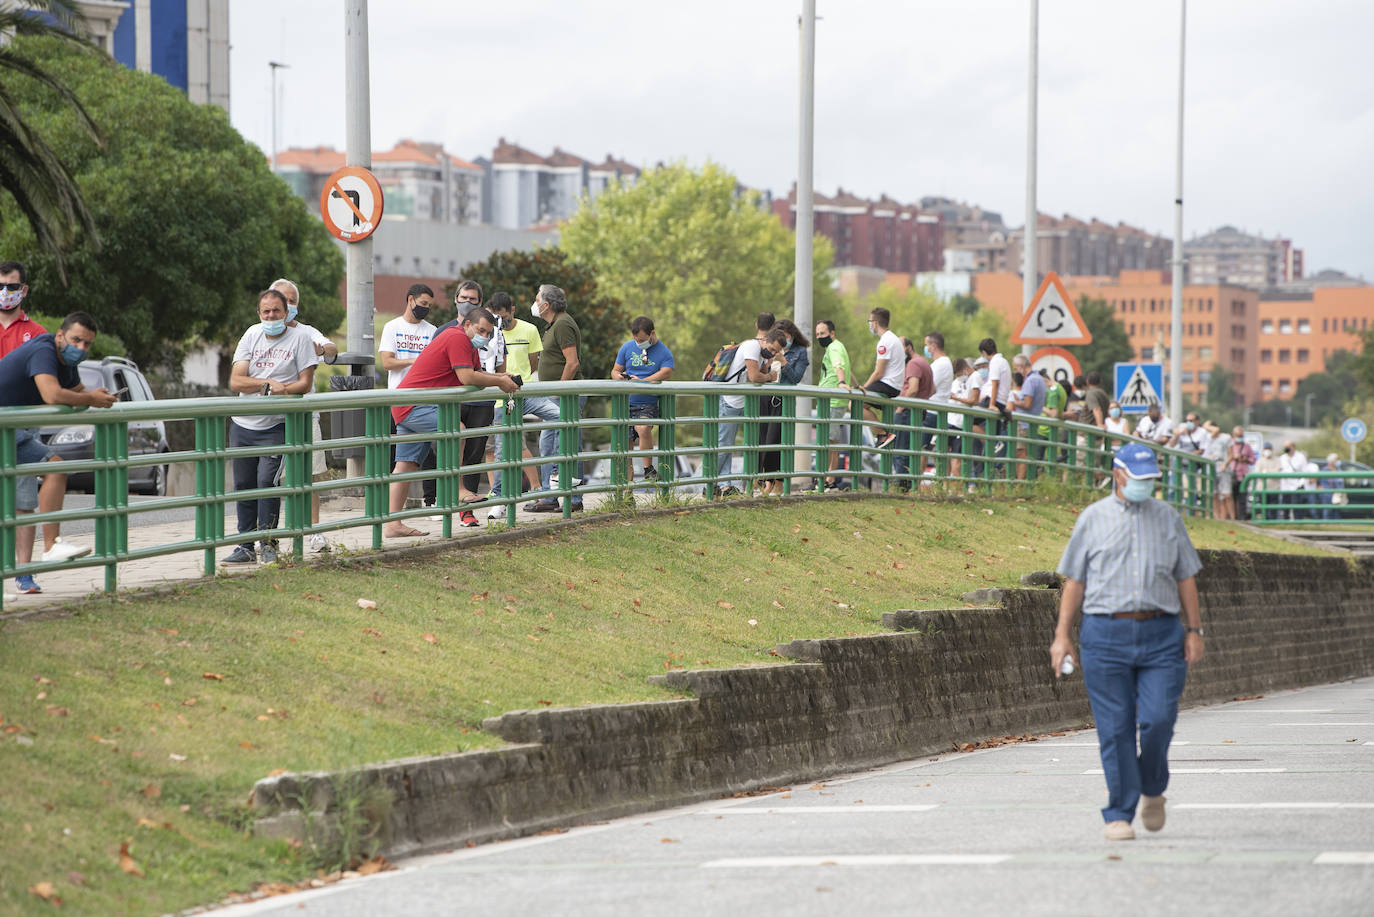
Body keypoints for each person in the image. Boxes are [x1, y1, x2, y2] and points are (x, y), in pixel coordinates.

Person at [1050, 441, 1205, 842]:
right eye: (1138, 478)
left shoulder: (1168, 518)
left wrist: (1194, 629)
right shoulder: (1092, 518)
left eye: (1150, 479)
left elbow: (1185, 576)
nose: (1144, 485)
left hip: (1161, 633)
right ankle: (1118, 812)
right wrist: (1062, 636)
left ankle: (1153, 787)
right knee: (1115, 729)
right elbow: (1075, 580)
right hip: (1105, 634)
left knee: (1158, 720)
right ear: (1118, 474)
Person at [384, 308, 519, 537]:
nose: (484, 336)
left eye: (488, 333)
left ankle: (392, 525)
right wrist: (499, 382)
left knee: (405, 465)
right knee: (458, 429)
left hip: (410, 403)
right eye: (480, 330)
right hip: (415, 405)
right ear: (467, 325)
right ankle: (456, 489)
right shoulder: (456, 337)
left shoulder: (470, 345)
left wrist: (500, 378)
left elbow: (476, 374)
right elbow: (467, 378)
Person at [0, 311, 116, 576]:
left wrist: (101, 397)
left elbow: (78, 391)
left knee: (55, 469)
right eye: (76, 340)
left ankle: (50, 547)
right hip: (5, 426)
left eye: (87, 344)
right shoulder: (44, 350)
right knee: (50, 472)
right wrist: (90, 400)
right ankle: (45, 551)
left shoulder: (67, 362)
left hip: (10, 430)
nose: (81, 348)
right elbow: (52, 394)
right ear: (60, 335)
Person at [222, 290, 318, 565]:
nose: (271, 316)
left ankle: (268, 543)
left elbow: (305, 384)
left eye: (276, 311)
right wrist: (265, 384)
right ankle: (245, 545)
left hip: (277, 425)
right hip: (243, 425)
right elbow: (236, 381)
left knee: (267, 482)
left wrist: (282, 390)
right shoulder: (251, 335)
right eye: (266, 312)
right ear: (259, 314)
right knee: (244, 485)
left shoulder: (300, 339)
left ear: (286, 312)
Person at [273, 278, 338, 553]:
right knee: (272, 478)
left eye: (292, 301)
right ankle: (270, 533)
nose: (287, 306)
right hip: (270, 417)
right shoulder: (257, 333)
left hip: (305, 413)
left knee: (308, 476)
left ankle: (312, 531)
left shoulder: (307, 332)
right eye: (281, 300)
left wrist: (319, 350)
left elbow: (332, 349)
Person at [0, 260, 52, 593]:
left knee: (24, 500)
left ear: (24, 289)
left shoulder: (38, 334)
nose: (5, 294)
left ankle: (24, 571)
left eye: (12, 287)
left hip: (23, 428)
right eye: (1, 286)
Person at [525, 285, 586, 514]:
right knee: (548, 446)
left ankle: (574, 499)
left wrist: (558, 389)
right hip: (552, 397)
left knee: (567, 446)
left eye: (537, 299)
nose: (534, 303)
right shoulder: (552, 326)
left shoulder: (563, 324)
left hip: (564, 397)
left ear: (546, 305)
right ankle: (550, 497)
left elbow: (572, 362)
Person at [379, 284, 440, 514]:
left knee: (408, 461)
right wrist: (414, 362)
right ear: (410, 300)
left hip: (425, 398)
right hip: (402, 399)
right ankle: (448, 495)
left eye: (429, 306)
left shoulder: (432, 331)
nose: (425, 308)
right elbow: (387, 362)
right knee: (455, 431)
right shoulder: (392, 327)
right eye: (423, 304)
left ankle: (396, 515)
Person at [485, 292, 545, 518]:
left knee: (516, 445)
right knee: (492, 449)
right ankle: (497, 493)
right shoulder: (490, 332)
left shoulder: (529, 330)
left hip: (521, 392)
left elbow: (532, 362)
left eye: (505, 317)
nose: (502, 322)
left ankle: (537, 486)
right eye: (497, 317)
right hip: (494, 395)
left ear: (513, 310)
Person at [716, 312, 776, 497]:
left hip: (744, 401)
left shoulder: (765, 351)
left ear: (756, 324)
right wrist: (769, 377)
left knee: (730, 445)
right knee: (724, 444)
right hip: (730, 400)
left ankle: (724, 485)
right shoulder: (751, 346)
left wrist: (767, 366)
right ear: (773, 328)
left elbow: (761, 374)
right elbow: (755, 377)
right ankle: (708, 483)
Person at [611, 315, 675, 483]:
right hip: (626, 402)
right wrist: (619, 377)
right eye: (635, 339)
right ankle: (628, 491)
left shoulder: (663, 351)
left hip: (647, 402)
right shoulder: (627, 347)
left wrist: (643, 382)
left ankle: (648, 468)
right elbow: (615, 370)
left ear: (652, 333)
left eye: (641, 340)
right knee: (626, 447)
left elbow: (667, 371)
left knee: (643, 428)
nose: (638, 343)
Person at [815, 319, 852, 490]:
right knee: (829, 440)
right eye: (817, 334)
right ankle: (828, 478)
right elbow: (845, 367)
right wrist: (856, 384)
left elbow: (838, 365)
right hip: (829, 400)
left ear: (832, 333)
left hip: (833, 400)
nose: (819, 337)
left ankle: (829, 480)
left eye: (822, 333)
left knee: (830, 441)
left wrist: (842, 382)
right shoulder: (836, 347)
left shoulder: (834, 347)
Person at [860, 308, 904, 450]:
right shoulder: (893, 338)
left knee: (854, 404)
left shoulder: (884, 342)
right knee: (863, 405)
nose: (869, 325)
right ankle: (881, 433)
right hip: (895, 385)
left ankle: (883, 433)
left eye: (870, 321)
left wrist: (864, 387)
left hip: (888, 385)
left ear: (875, 323)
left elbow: (879, 372)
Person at [893, 337, 933, 482]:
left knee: (900, 452)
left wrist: (900, 408)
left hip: (907, 412)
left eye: (900, 348)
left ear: (908, 348)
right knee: (910, 452)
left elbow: (913, 389)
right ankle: (909, 485)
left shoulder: (913, 363)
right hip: (918, 412)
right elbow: (932, 389)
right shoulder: (924, 362)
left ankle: (901, 487)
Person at [978, 338, 1012, 471]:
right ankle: (993, 444)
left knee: (970, 422)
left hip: (994, 401)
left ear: (984, 352)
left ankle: (992, 443)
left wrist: (991, 404)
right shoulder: (1003, 361)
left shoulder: (995, 362)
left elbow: (995, 383)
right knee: (994, 433)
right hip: (1002, 402)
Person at [1011, 353, 1047, 467]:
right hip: (1033, 422)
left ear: (1022, 366)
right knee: (1027, 454)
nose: (1016, 372)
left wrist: (1014, 401)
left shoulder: (1030, 380)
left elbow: (1027, 404)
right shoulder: (1039, 379)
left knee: (1021, 454)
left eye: (1016, 369)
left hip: (1024, 424)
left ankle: (1020, 484)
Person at [1203, 422, 1233, 520]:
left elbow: (1231, 454)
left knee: (1226, 495)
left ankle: (1232, 518)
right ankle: (1216, 517)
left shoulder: (1226, 438)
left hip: (1223, 467)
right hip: (1211, 468)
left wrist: (1225, 464)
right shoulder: (1208, 438)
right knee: (1213, 494)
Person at [1227, 428, 1256, 520]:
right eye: (1237, 436)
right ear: (1233, 435)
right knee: (1231, 497)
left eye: (1241, 436)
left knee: (1242, 497)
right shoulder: (1229, 445)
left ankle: (1241, 517)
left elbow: (1253, 459)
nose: (1239, 438)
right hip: (1231, 474)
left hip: (1243, 476)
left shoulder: (1247, 446)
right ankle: (1232, 517)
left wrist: (1245, 459)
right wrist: (1233, 457)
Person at [1277, 441, 1309, 521]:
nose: (1286, 448)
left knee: (1297, 507)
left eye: (1288, 446)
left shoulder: (1300, 457)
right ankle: (1285, 522)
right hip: (1285, 486)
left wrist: (1301, 483)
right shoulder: (1282, 458)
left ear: (1293, 447)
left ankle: (1298, 523)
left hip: (1297, 485)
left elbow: (1305, 471)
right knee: (1285, 507)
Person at [1251, 443, 1283, 520]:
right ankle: (1264, 521)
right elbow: (1258, 474)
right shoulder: (1260, 461)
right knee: (1263, 508)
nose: (1267, 450)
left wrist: (1266, 472)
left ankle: (1273, 522)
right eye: (1266, 448)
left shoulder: (1277, 460)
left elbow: (1278, 472)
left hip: (1274, 488)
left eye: (1269, 448)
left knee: (1273, 508)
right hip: (1262, 489)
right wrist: (1271, 472)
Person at [1319, 453, 1345, 521]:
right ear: (1332, 461)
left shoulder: (1339, 470)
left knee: (1337, 512)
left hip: (1337, 494)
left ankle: (1336, 526)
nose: (1338, 461)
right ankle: (1326, 525)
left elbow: (1341, 482)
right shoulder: (1325, 470)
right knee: (1327, 511)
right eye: (1337, 459)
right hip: (1327, 494)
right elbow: (1321, 482)